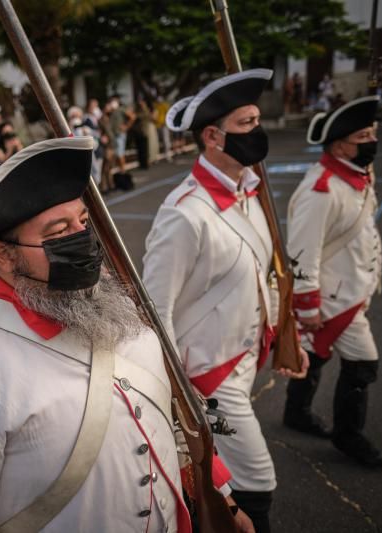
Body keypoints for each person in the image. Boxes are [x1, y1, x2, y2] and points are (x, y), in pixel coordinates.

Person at [0, 136, 250, 533]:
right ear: (4, 255)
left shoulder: (121, 306)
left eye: (83, 223)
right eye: (58, 232)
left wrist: (223, 498)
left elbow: (174, 417)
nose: (82, 241)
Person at [143, 69, 309, 533]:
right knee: (257, 482)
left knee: (229, 479)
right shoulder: (184, 213)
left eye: (257, 120)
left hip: (244, 357)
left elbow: (265, 275)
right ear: (212, 136)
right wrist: (178, 396)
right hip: (207, 377)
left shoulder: (250, 192)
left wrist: (284, 338)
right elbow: (156, 309)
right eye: (247, 123)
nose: (257, 132)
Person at [284, 96, 382, 469]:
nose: (371, 140)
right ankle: (348, 436)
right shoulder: (322, 189)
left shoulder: (355, 173)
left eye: (373, 132)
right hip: (332, 296)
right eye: (363, 135)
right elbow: (302, 251)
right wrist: (308, 305)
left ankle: (295, 412)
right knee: (363, 364)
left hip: (350, 287)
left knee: (313, 354)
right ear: (339, 144)